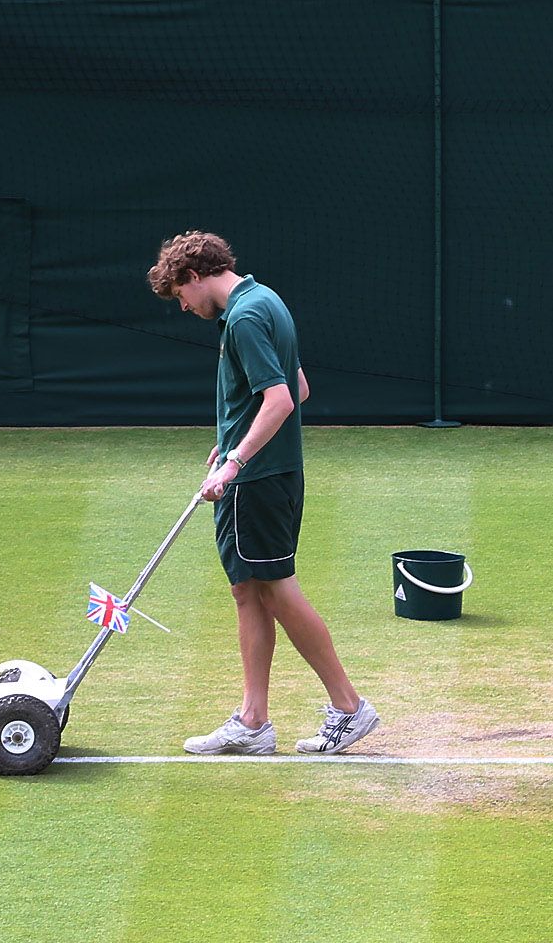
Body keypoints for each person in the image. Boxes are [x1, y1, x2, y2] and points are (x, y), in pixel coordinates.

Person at [148, 230, 380, 757]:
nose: (184, 307)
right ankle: (253, 722)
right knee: (248, 591)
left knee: (276, 589)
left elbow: (279, 400)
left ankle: (349, 706)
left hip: (256, 483)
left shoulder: (246, 318)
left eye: (180, 296)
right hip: (265, 477)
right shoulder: (265, 300)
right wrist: (230, 439)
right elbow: (298, 387)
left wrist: (234, 461)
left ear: (193, 275)